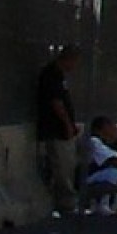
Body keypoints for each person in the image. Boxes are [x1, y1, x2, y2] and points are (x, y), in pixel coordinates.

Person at [36, 45, 81, 215]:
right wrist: (67, 125)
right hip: (56, 129)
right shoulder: (52, 75)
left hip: (61, 128)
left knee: (67, 165)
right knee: (62, 166)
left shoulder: (59, 75)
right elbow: (57, 102)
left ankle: (64, 201)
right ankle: (65, 203)